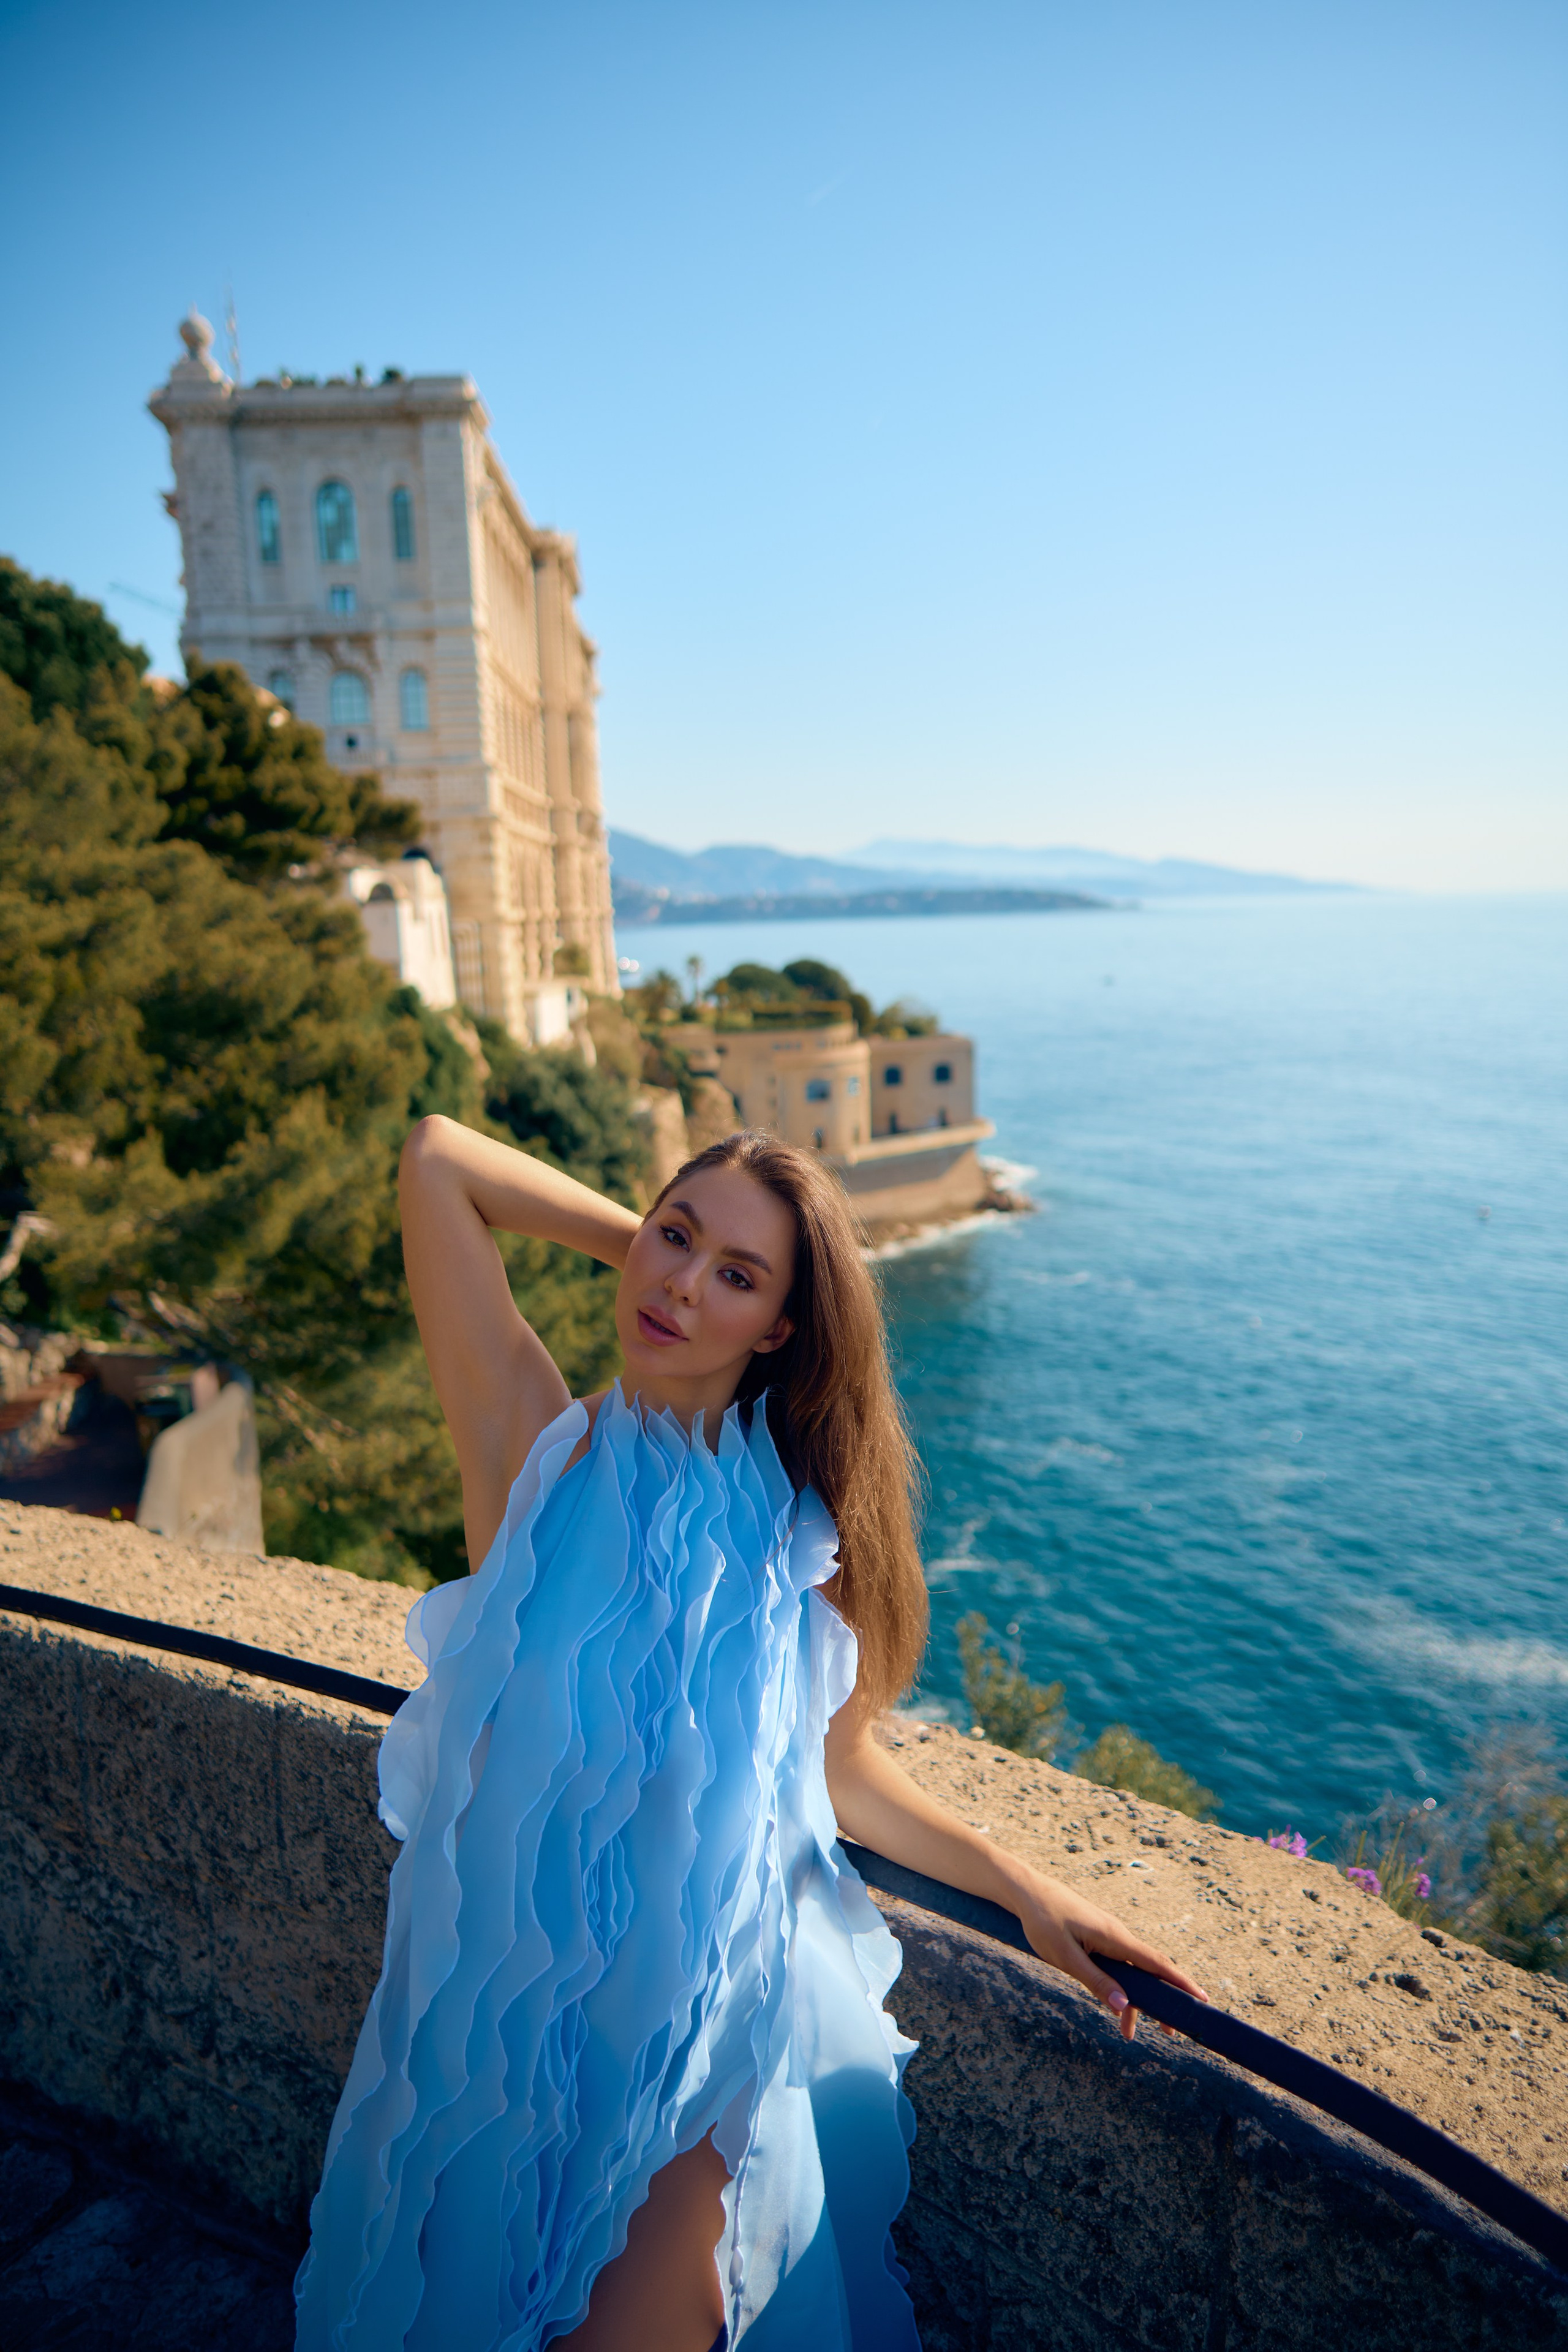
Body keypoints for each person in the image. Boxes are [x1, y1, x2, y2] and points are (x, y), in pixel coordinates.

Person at [294, 1122, 1204, 2352]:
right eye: (675, 1236)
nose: (680, 1286)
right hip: (498, 2018)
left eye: (737, 1277)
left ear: (781, 1329)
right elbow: (439, 1161)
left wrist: (1028, 1892)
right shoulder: (530, 1456)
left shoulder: (800, 1542)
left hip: (691, 2047)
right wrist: (665, 1260)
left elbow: (838, 1774)